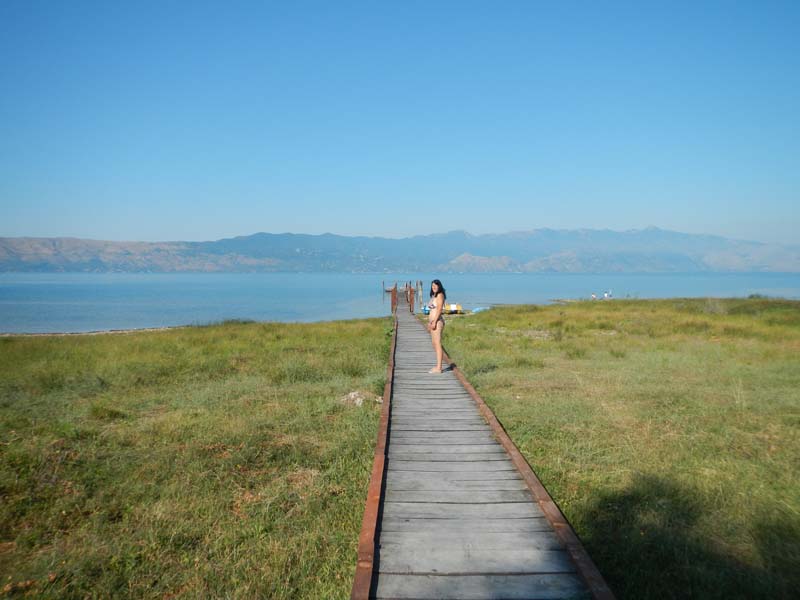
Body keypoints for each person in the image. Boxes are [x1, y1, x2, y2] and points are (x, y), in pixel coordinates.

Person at [427, 279, 446, 373]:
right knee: (434, 344)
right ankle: (438, 365)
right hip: (432, 321)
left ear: (439, 286)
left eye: (436, 285)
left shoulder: (440, 295)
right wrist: (429, 322)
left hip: (437, 322)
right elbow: (431, 310)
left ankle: (439, 368)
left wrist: (434, 321)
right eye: (432, 285)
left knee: (437, 343)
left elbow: (439, 310)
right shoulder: (434, 295)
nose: (434, 287)